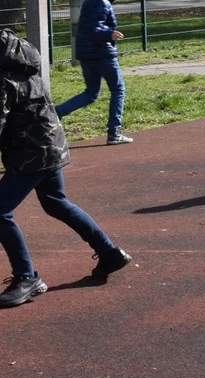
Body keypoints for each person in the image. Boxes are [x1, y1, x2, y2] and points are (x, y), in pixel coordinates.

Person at [0, 30, 131, 308]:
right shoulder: (18, 58)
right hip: (50, 143)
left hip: (30, 152)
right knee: (55, 202)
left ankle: (27, 277)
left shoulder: (3, 77)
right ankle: (108, 252)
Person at [55, 0, 132, 145]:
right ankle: (114, 133)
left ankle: (56, 113)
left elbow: (90, 28)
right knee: (118, 90)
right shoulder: (101, 1)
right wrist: (109, 34)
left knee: (91, 93)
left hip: (87, 53)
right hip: (101, 53)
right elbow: (93, 29)